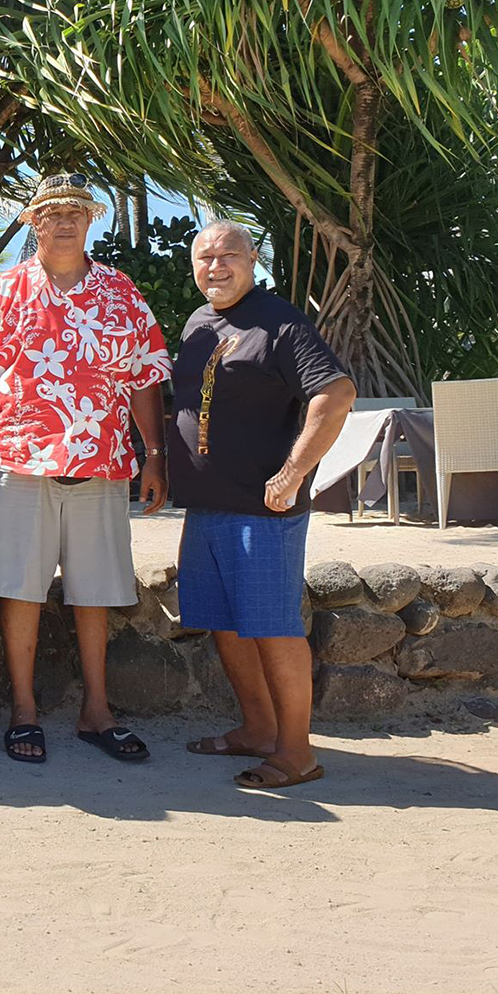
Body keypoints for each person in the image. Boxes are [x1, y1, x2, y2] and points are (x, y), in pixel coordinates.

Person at [0, 174, 172, 766]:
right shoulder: (0, 294)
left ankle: (96, 710)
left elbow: (146, 377)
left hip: (101, 464)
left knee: (96, 590)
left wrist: (154, 454)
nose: (66, 221)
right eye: (52, 212)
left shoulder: (121, 292)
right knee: (19, 590)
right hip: (17, 462)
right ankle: (23, 710)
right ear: (33, 223)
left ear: (90, 219)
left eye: (77, 210)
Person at [174, 219, 355, 790]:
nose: (216, 266)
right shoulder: (199, 323)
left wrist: (294, 472)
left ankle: (297, 753)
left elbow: (336, 391)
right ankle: (257, 729)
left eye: (228, 255)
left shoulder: (281, 322)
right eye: (205, 258)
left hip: (263, 512)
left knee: (273, 627)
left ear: (254, 260)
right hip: (207, 507)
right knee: (225, 626)